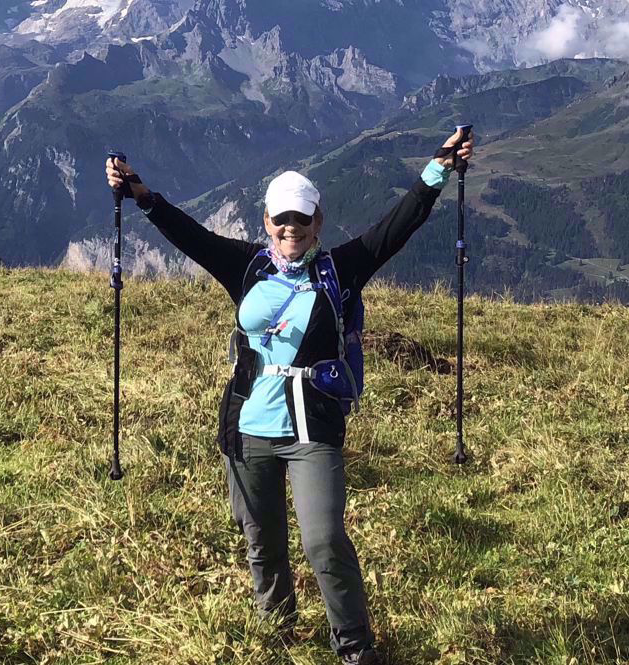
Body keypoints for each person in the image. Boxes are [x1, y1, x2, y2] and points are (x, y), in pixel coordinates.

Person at [106, 128, 473, 664]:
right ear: (267, 223)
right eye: (281, 219)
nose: (290, 228)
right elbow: (189, 235)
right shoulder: (247, 266)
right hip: (249, 423)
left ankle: (354, 647)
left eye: (301, 218)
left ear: (317, 222)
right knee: (261, 539)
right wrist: (141, 195)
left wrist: (438, 169)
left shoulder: (342, 269)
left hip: (312, 430)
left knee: (323, 539)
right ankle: (274, 631)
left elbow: (398, 226)